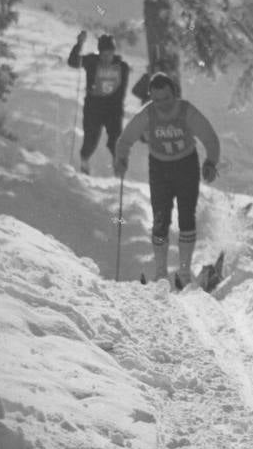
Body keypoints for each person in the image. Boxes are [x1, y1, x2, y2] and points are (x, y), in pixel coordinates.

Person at [112, 73, 221, 285]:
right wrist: (121, 158)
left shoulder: (186, 111)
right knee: (160, 220)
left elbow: (210, 138)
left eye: (166, 98)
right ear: (151, 97)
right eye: (156, 99)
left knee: (186, 217)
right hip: (159, 168)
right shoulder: (148, 114)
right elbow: (126, 138)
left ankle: (183, 273)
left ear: (174, 95)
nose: (162, 104)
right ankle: (161, 273)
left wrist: (211, 162)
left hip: (186, 166)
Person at [67, 32, 131, 174]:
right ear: (99, 52)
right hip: (93, 108)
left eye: (110, 53)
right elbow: (72, 62)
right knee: (91, 140)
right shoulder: (92, 61)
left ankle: (118, 167)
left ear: (114, 52)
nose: (106, 57)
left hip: (113, 109)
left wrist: (118, 109)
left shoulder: (122, 67)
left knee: (116, 140)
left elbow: (122, 90)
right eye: (104, 53)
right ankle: (84, 160)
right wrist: (79, 44)